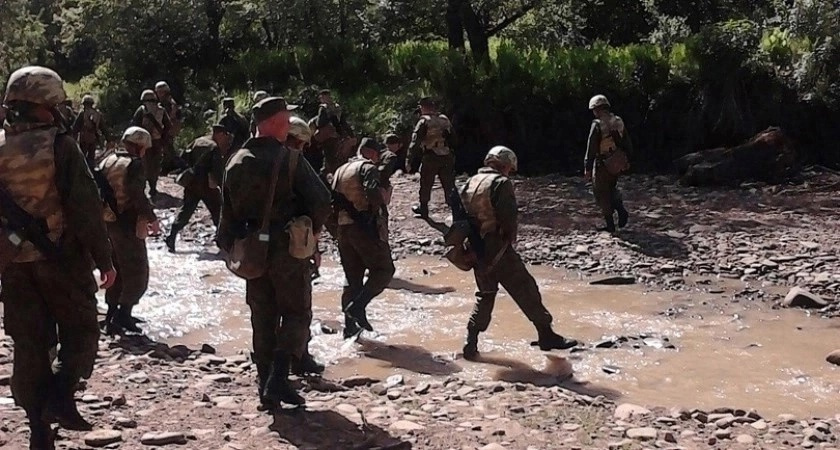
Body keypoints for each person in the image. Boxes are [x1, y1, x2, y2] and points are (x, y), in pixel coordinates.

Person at [0, 66, 116, 449]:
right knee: (82, 331)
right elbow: (85, 210)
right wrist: (105, 260)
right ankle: (60, 397)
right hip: (61, 259)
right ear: (46, 104)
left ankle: (38, 428)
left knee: (30, 344)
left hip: (13, 265)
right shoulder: (60, 145)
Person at [218, 97, 332, 408]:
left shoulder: (235, 160)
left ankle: (264, 385)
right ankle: (279, 380)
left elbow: (226, 212)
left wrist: (229, 246)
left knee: (262, 316)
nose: (287, 125)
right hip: (288, 250)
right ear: (276, 123)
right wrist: (314, 232)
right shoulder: (290, 158)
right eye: (284, 120)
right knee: (296, 313)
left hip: (253, 250)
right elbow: (322, 199)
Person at [456, 146, 578, 360]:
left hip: (474, 248)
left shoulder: (469, 182)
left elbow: (460, 215)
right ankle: (546, 335)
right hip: (497, 246)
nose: (509, 172)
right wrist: (509, 238)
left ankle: (471, 343)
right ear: (505, 165)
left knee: (485, 295)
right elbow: (508, 216)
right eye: (509, 169)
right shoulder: (501, 183)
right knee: (525, 288)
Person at [97, 127, 161, 334]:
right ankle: (123, 315)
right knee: (137, 271)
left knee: (115, 269)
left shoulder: (108, 160)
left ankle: (111, 314)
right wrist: (152, 218)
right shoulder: (134, 165)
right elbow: (137, 194)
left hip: (108, 223)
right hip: (127, 224)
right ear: (140, 146)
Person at [331, 138, 396, 338]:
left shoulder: (340, 170)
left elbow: (331, 199)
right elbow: (371, 192)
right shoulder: (368, 168)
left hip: (344, 229)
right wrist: (376, 209)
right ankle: (358, 306)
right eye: (377, 154)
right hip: (364, 227)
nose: (378, 158)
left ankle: (350, 328)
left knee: (352, 279)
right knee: (384, 270)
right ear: (370, 153)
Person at [284, 116, 327, 376]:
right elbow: (321, 200)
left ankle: (267, 362)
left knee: (265, 307)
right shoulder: (295, 163)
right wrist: (316, 239)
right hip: (292, 245)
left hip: (256, 245)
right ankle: (298, 359)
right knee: (298, 306)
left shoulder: (252, 158)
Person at [165, 124, 233, 252]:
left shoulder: (198, 141)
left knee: (186, 211)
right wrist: (223, 186)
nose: (225, 139)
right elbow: (217, 171)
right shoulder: (214, 148)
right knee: (218, 212)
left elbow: (183, 157)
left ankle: (171, 236)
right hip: (207, 186)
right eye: (225, 135)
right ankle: (222, 242)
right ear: (219, 134)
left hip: (192, 183)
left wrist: (188, 172)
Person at [584, 95, 632, 232]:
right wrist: (628, 160)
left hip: (603, 163)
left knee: (600, 192)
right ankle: (621, 210)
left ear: (596, 109)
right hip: (617, 162)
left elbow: (591, 148)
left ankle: (611, 224)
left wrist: (587, 167)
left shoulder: (597, 124)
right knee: (611, 187)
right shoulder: (618, 121)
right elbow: (628, 142)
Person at [407, 97, 456, 218]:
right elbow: (454, 138)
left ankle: (423, 210)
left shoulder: (424, 121)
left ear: (423, 107)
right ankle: (456, 211)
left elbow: (415, 142)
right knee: (449, 184)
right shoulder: (444, 119)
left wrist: (409, 159)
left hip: (431, 156)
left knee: (426, 183)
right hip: (446, 154)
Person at [132, 89, 171, 197]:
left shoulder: (141, 110)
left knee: (145, 165)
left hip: (144, 142)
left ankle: (147, 187)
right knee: (155, 164)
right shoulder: (161, 110)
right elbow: (168, 126)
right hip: (157, 141)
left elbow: (134, 125)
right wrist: (164, 138)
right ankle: (153, 187)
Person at [154, 81, 183, 173]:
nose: (158, 94)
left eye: (159, 92)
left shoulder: (169, 103)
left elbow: (172, 117)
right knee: (167, 148)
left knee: (168, 148)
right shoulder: (165, 102)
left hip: (169, 128)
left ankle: (180, 166)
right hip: (168, 128)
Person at [72, 94, 107, 166]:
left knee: (82, 158)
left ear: (84, 104)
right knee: (91, 158)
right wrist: (109, 138)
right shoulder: (97, 114)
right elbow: (103, 128)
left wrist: (72, 138)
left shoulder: (82, 114)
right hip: (93, 139)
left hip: (83, 139)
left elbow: (75, 128)